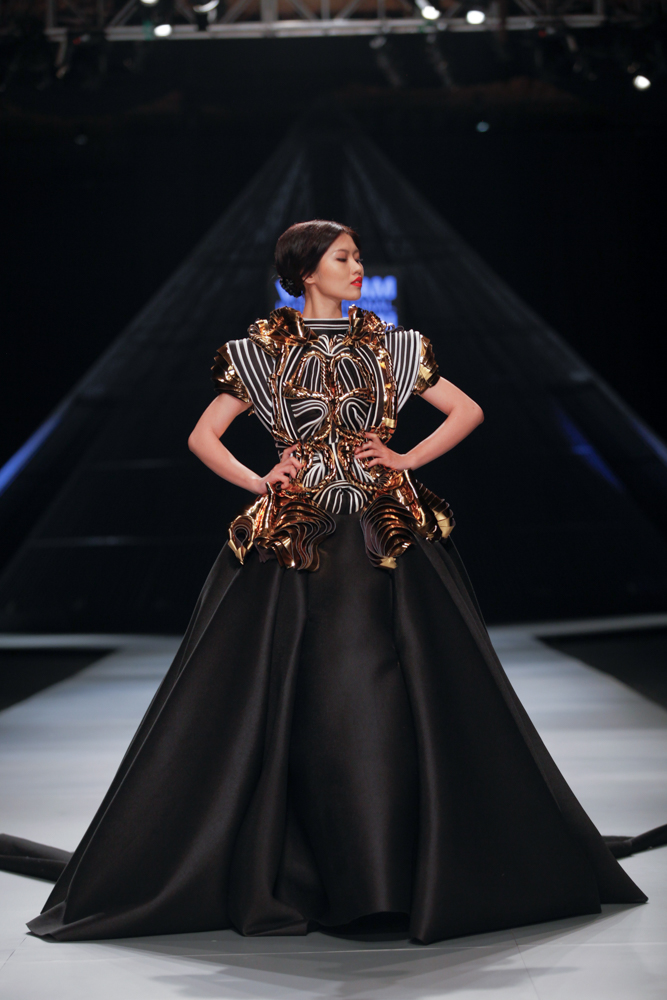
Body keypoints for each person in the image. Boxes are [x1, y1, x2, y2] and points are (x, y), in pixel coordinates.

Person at [21, 220, 646, 943]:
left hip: (384, 537)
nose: (358, 268)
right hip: (297, 539)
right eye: (343, 257)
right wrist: (260, 478)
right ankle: (319, 863)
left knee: (393, 691)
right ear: (304, 270)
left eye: (358, 257)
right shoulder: (259, 352)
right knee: (290, 695)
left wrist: (406, 459)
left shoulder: (391, 346)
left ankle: (394, 864)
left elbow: (468, 410)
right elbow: (201, 435)